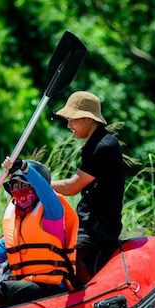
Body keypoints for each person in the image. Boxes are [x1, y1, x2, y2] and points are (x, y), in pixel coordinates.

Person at [0, 159, 79, 308]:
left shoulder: (51, 212)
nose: (18, 189)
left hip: (51, 285)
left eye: (24, 184)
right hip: (25, 283)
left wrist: (25, 168)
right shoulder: (15, 220)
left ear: (35, 187)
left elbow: (45, 190)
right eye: (15, 185)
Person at [50, 90, 126, 281]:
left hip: (99, 229)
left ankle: (85, 292)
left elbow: (71, 187)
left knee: (66, 258)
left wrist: (39, 184)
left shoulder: (103, 146)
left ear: (89, 120)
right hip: (86, 222)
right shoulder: (93, 144)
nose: (68, 125)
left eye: (72, 120)